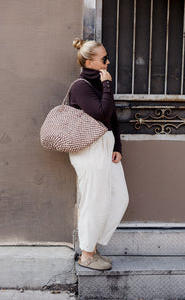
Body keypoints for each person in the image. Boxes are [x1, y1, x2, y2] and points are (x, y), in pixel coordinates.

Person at [69, 38, 129, 270]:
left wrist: (117, 148)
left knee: (119, 197)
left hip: (106, 148)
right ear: (89, 62)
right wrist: (107, 86)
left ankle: (93, 245)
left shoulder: (100, 83)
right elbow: (102, 114)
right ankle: (87, 254)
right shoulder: (81, 86)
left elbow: (112, 118)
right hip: (89, 150)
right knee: (94, 201)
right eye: (104, 59)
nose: (108, 61)